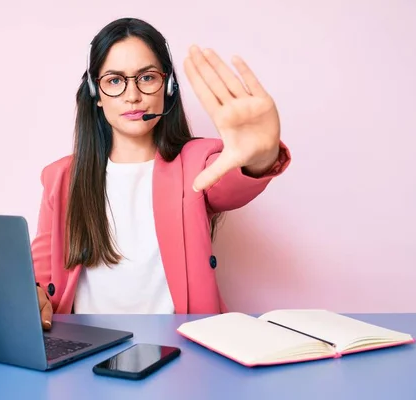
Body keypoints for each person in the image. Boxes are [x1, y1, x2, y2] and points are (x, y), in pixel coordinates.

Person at [31, 17, 291, 330]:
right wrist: (34, 295)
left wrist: (261, 154)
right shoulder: (61, 177)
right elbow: (41, 276)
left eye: (147, 78)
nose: (132, 95)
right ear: (95, 93)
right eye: (114, 80)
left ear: (167, 86)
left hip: (183, 349)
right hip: (88, 350)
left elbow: (231, 183)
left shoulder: (198, 161)